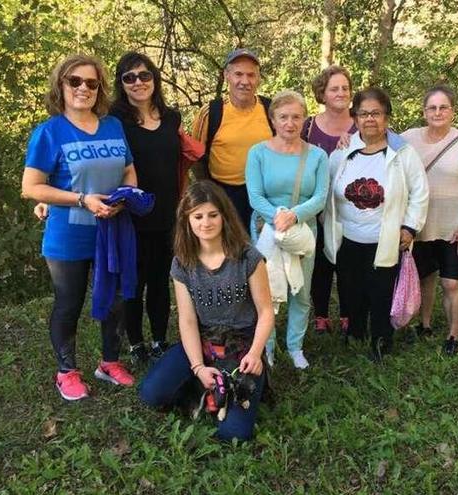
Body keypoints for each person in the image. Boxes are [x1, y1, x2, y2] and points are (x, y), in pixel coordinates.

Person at [21, 53, 138, 401]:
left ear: (99, 88)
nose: (83, 88)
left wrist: (126, 195)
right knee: (68, 304)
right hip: (68, 236)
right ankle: (66, 371)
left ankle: (110, 362)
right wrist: (82, 199)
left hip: (111, 230)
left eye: (91, 82)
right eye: (75, 81)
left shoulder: (113, 126)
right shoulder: (49, 132)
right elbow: (31, 187)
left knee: (115, 301)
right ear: (61, 85)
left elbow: (128, 168)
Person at [139, 181, 274, 442]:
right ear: (187, 220)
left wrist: (256, 354)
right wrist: (198, 366)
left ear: (225, 215)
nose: (206, 223)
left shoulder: (248, 257)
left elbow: (266, 311)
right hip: (203, 340)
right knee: (151, 394)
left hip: (242, 343)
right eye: (197, 216)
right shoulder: (182, 262)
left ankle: (237, 386)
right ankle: (200, 382)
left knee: (233, 434)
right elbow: (187, 320)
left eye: (213, 215)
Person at [322, 87, 429, 362]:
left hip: (386, 237)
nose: (370, 119)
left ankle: (381, 339)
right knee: (351, 288)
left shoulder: (402, 154)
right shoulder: (343, 152)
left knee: (381, 290)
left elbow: (419, 192)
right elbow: (327, 191)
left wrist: (410, 227)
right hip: (348, 237)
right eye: (364, 114)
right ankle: (355, 331)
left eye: (377, 113)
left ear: (387, 118)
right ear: (355, 118)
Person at [246, 90, 329, 369]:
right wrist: (277, 216)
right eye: (283, 117)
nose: (289, 123)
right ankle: (267, 346)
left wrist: (293, 216)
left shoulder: (317, 156)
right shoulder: (257, 153)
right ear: (273, 120)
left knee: (301, 292)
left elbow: (320, 197)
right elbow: (255, 195)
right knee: (266, 290)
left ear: (305, 120)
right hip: (266, 230)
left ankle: (295, 346)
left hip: (303, 231)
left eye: (296, 117)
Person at [109, 51, 182, 365]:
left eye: (144, 75)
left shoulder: (171, 117)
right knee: (134, 282)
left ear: (155, 78)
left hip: (167, 213)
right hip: (132, 214)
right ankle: (136, 342)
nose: (138, 82)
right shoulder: (114, 122)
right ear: (121, 84)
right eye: (129, 77)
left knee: (160, 279)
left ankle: (159, 340)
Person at [400, 85, 458, 355]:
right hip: (419, 223)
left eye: (443, 107)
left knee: (451, 282)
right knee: (425, 277)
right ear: (424, 112)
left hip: (453, 226)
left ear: (452, 111)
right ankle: (424, 324)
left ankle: (453, 335)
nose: (437, 112)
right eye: (432, 107)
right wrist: (346, 141)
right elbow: (373, 139)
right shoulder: (408, 138)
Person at [190, 48, 274, 231]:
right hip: (224, 194)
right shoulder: (211, 113)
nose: (245, 81)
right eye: (238, 74)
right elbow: (194, 156)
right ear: (227, 75)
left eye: (251, 75)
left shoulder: (271, 110)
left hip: (265, 194)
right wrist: (208, 192)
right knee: (229, 250)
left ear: (258, 78)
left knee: (261, 250)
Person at [303, 66, 356, 336]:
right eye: (334, 88)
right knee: (320, 263)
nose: (341, 93)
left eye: (345, 88)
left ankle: (348, 313)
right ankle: (321, 315)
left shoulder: (362, 124)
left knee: (346, 262)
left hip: (352, 209)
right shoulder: (308, 126)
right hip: (316, 207)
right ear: (322, 93)